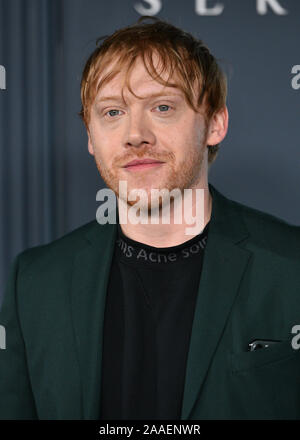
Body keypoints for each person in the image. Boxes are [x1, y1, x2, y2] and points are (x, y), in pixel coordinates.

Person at [0, 16, 300, 421]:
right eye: (111, 112)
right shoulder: (35, 283)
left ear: (215, 123)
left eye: (162, 107)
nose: (135, 134)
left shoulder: (291, 267)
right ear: (90, 137)